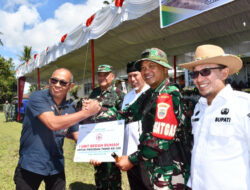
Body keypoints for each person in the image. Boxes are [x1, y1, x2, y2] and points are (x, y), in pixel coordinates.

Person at [14, 68, 100, 190]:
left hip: (56, 166)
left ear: (70, 86)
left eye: (63, 82)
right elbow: (52, 123)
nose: (57, 85)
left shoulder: (69, 109)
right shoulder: (37, 97)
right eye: (54, 81)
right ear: (50, 81)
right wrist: (85, 113)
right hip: (31, 164)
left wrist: (93, 153)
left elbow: (78, 136)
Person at [116, 48, 190, 189]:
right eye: (143, 68)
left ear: (164, 69)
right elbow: (127, 114)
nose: (146, 71)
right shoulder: (151, 94)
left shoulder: (168, 94)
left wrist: (131, 160)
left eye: (152, 66)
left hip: (170, 174)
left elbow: (159, 141)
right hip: (156, 170)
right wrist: (95, 111)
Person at [179, 44, 250, 190]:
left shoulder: (243, 105)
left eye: (205, 71)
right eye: (195, 73)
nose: (198, 79)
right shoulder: (199, 107)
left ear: (224, 73)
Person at [86, 64, 125, 190]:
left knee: (113, 172)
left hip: (112, 139)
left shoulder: (119, 94)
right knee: (99, 171)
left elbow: (124, 116)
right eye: (100, 75)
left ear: (112, 76)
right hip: (97, 139)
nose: (102, 77)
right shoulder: (94, 93)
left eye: (105, 75)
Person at [121, 61, 149, 190]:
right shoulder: (127, 97)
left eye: (135, 75)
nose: (132, 79)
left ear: (143, 74)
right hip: (129, 154)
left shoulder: (151, 94)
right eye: (129, 76)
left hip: (146, 155)